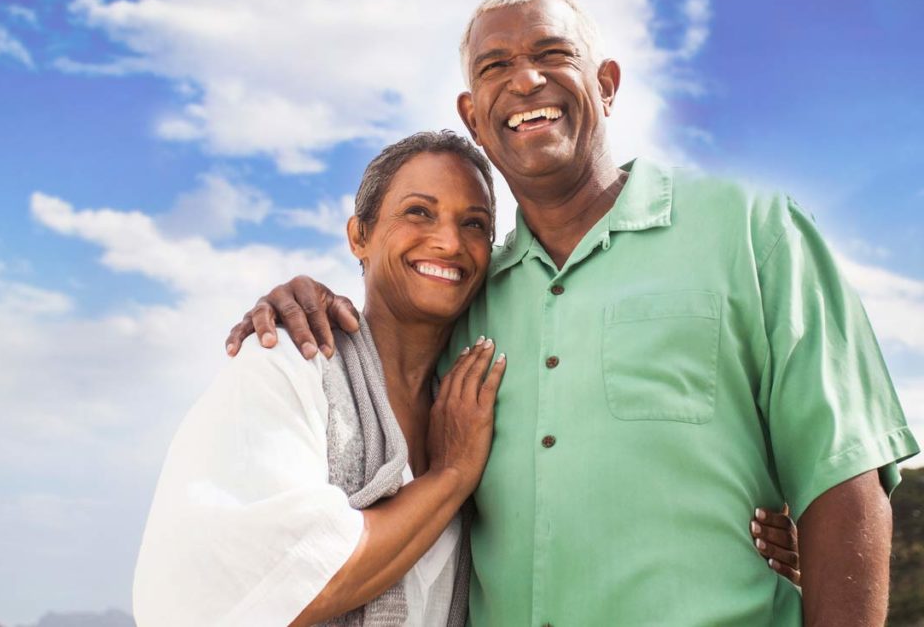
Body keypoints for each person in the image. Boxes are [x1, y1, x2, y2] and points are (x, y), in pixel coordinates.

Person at [225, 0, 919, 625]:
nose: (525, 79)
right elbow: (385, 362)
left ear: (606, 85)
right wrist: (303, 299)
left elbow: (843, 475)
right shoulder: (465, 303)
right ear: (474, 115)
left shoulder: (753, 231)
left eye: (553, 54)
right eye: (495, 65)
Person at [133, 132, 799, 626]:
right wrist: (449, 477)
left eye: (475, 224)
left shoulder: (484, 391)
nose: (449, 243)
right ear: (359, 235)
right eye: (418, 213)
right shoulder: (289, 365)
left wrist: (747, 541)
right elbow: (293, 580)